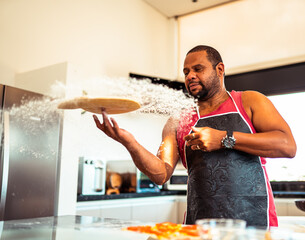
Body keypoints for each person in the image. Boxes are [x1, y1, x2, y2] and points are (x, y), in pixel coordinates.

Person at [93, 45, 296, 228]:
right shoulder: (178, 120)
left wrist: (224, 139)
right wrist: (129, 143)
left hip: (254, 226)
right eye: (186, 71)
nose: (190, 75)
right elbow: (160, 174)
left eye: (198, 69)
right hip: (198, 229)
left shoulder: (249, 101)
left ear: (220, 69)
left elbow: (287, 146)